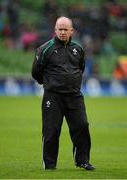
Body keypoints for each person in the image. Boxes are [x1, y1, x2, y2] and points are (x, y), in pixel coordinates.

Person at [32, 16, 94, 171]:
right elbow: (36, 72)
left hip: (74, 96)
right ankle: (50, 165)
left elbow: (81, 68)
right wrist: (49, 84)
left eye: (66, 29)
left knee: (82, 126)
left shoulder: (78, 49)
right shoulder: (44, 49)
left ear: (71, 30)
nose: (63, 32)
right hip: (53, 97)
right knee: (51, 130)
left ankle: (82, 161)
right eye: (60, 29)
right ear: (55, 30)